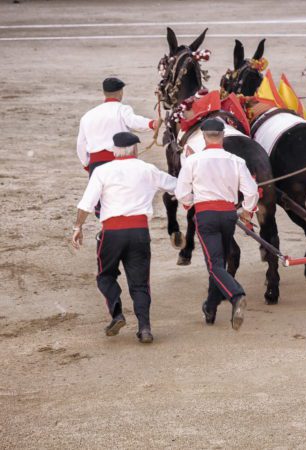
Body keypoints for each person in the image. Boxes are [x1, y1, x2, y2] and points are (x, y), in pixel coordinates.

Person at [71, 132, 177, 343]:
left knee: (105, 276)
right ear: (135, 149)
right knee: (140, 284)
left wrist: (78, 227)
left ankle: (117, 313)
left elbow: (86, 205)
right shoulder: (148, 169)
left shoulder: (102, 171)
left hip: (112, 233)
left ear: (114, 150)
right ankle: (145, 328)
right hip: (139, 232)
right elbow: (177, 186)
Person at [174, 119, 259, 330]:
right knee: (218, 260)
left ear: (204, 136)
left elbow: (181, 192)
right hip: (228, 215)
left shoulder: (193, 161)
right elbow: (251, 191)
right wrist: (247, 210)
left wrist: (189, 204)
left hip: (206, 215)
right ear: (222, 136)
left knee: (214, 264)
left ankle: (236, 295)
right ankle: (210, 307)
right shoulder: (236, 160)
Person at [76, 77, 161, 173]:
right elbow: (133, 121)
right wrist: (152, 124)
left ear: (104, 92)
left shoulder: (88, 116)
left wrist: (87, 164)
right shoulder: (122, 109)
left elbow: (81, 144)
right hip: (120, 162)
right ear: (121, 92)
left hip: (96, 164)